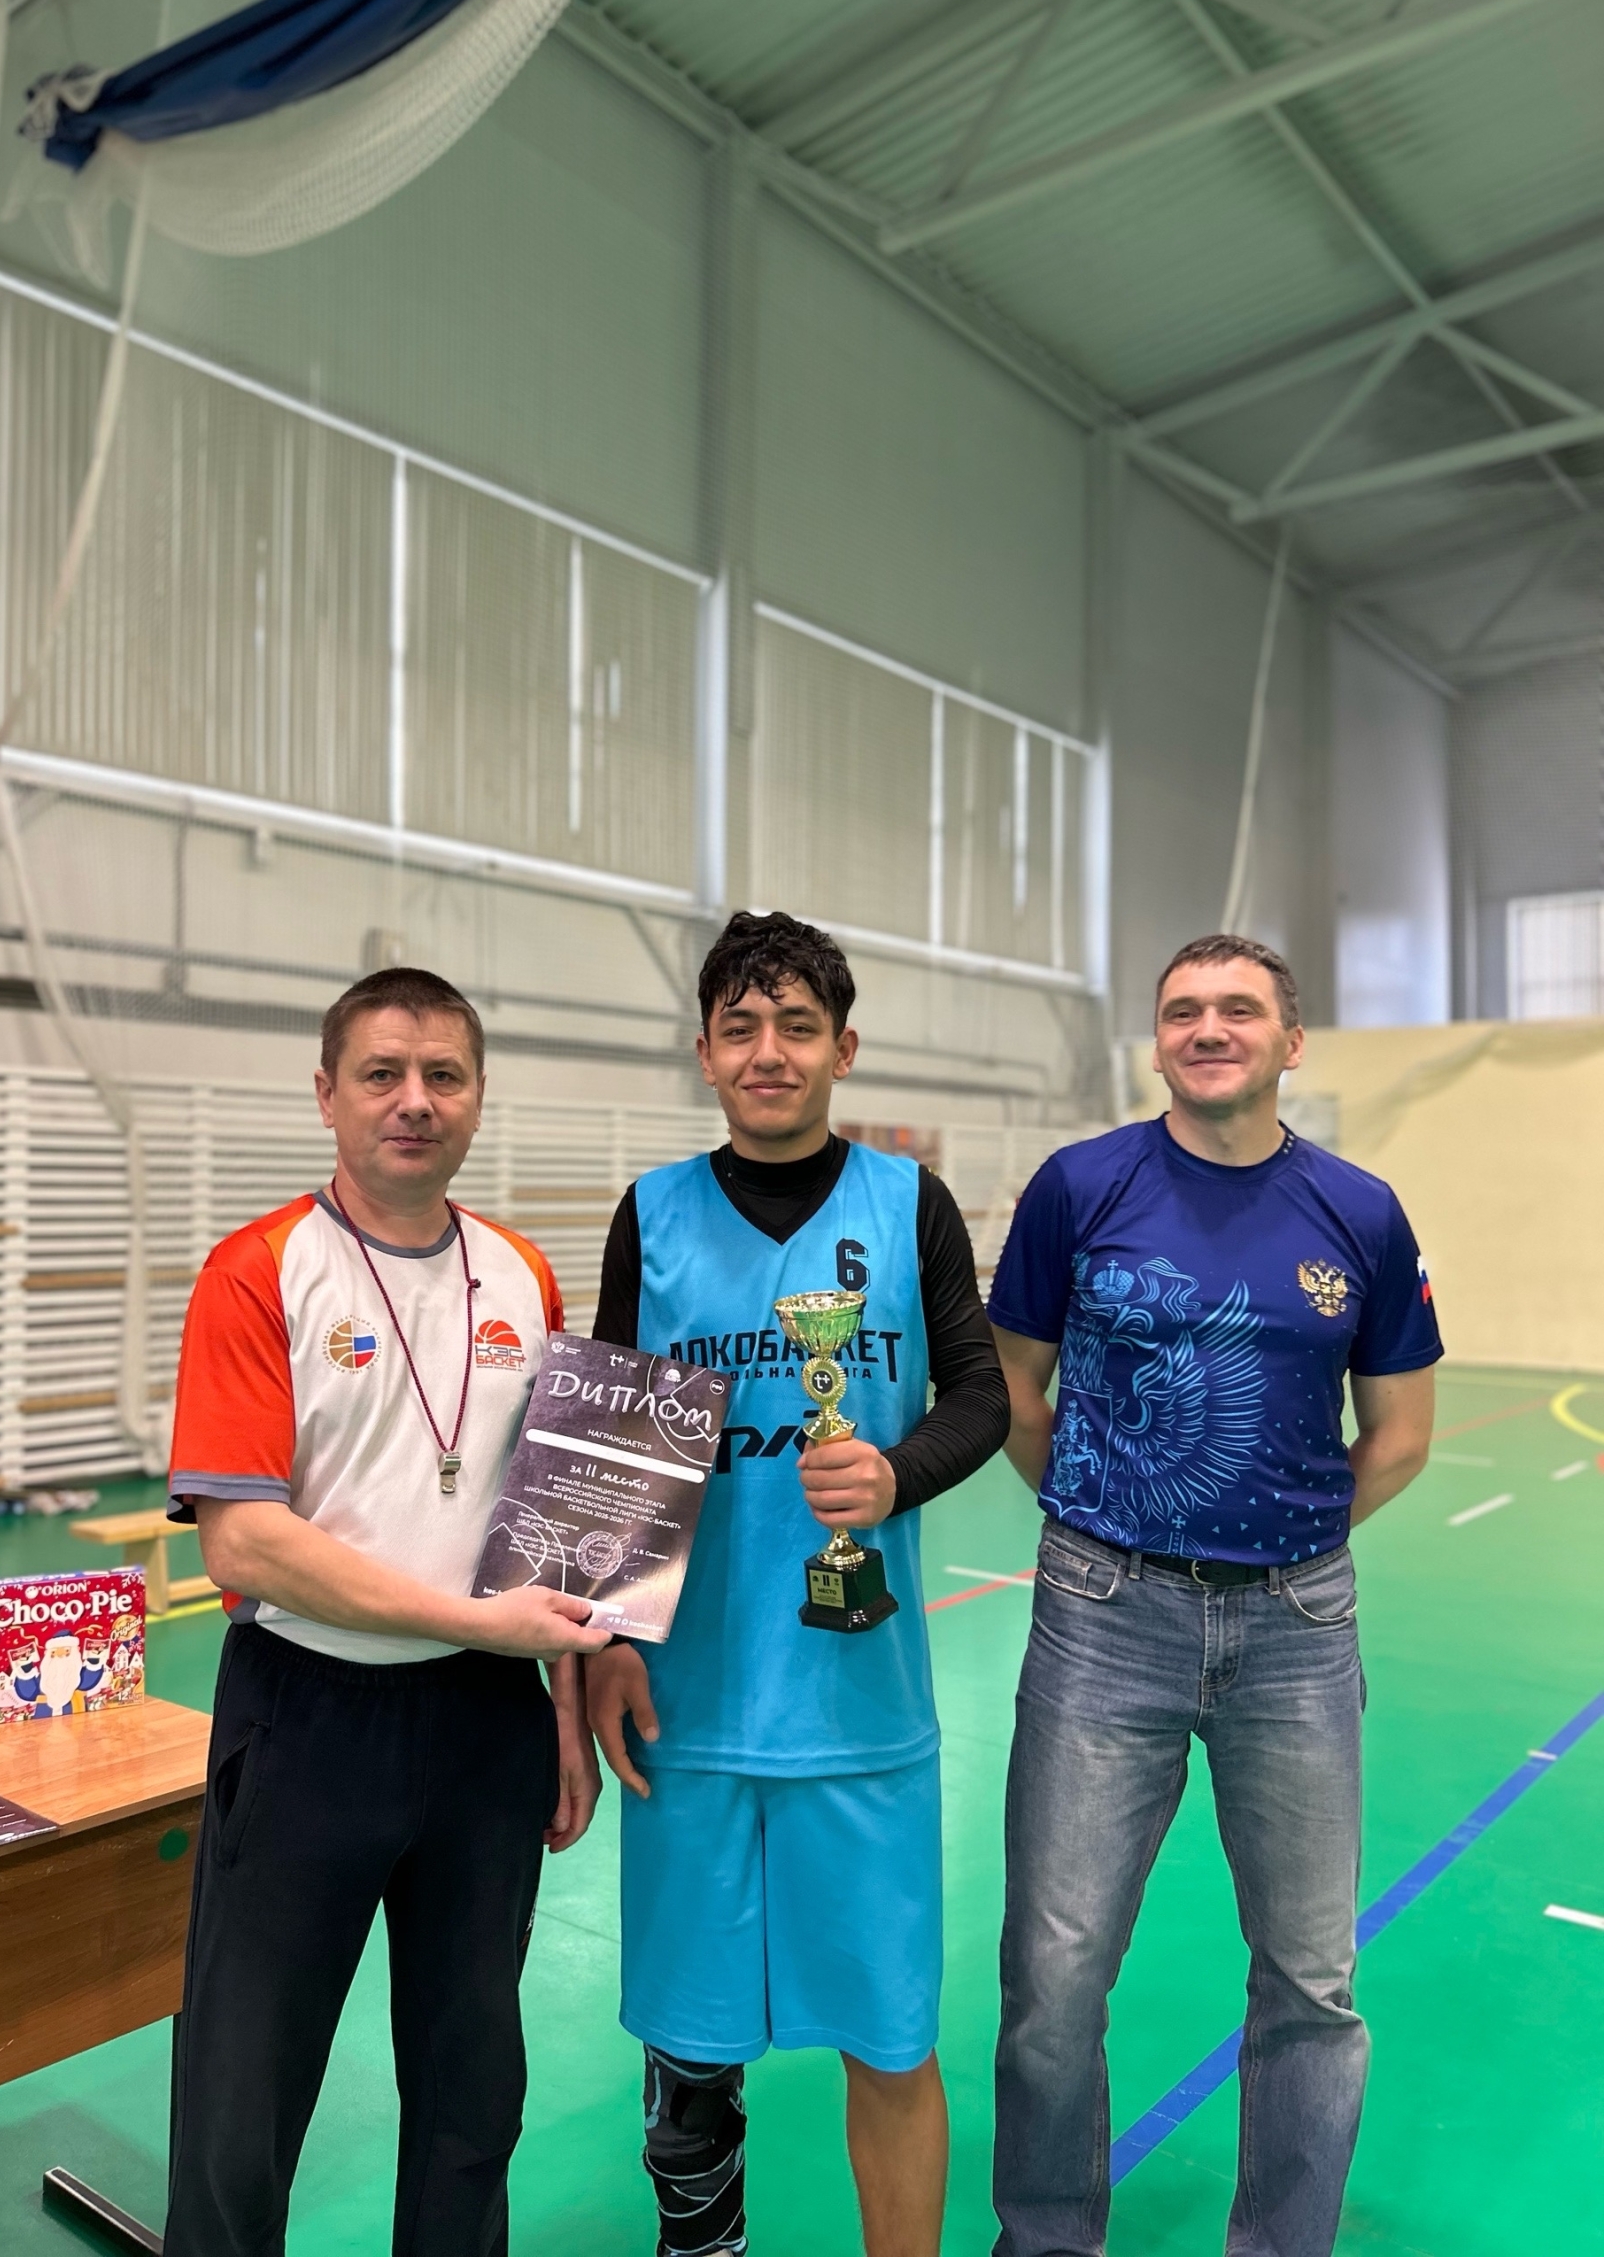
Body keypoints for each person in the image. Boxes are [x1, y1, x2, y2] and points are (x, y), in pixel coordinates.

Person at [986, 933, 1441, 2257]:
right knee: (1053, 1980)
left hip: (1297, 1634)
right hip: (1100, 1622)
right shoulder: (1081, 1187)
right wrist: (1106, 1527)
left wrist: (1288, 1549)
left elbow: (1400, 1433)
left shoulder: (1360, 1212)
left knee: (1311, 1984)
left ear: (1290, 1042)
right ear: (1158, 1042)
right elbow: (1015, 1391)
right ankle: (1048, 2240)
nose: (1208, 1027)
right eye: (1182, 1009)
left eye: (1239, 1008)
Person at [163, 966, 609, 2257]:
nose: (414, 1100)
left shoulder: (522, 1275)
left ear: (477, 1097)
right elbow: (246, 1542)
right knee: (244, 2092)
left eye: (443, 1076)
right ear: (328, 1094)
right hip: (309, 1716)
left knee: (474, 2086)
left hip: (488, 1723)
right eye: (382, 1074)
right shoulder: (258, 1271)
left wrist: (562, 1716)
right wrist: (477, 1626)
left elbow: (554, 1526)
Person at [585, 910, 1010, 2257]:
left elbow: (983, 1395)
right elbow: (608, 1452)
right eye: (741, 1028)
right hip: (689, 1702)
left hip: (858, 1708)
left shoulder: (909, 1203)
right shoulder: (651, 1213)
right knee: (688, 2047)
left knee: (891, 2040)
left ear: (843, 1050)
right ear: (705, 1052)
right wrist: (604, 1641)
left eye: (798, 1027)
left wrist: (894, 1474)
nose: (769, 1052)